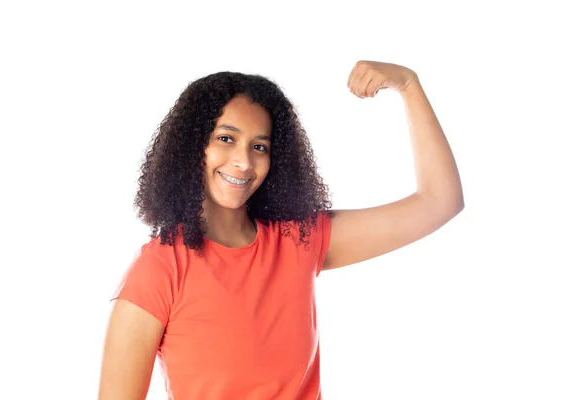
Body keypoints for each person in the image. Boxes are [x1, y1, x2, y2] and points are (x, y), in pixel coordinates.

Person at [98, 60, 464, 399]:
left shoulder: (298, 241)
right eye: (226, 138)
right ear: (195, 147)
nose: (243, 162)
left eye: (259, 146)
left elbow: (439, 202)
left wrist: (409, 85)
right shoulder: (160, 269)